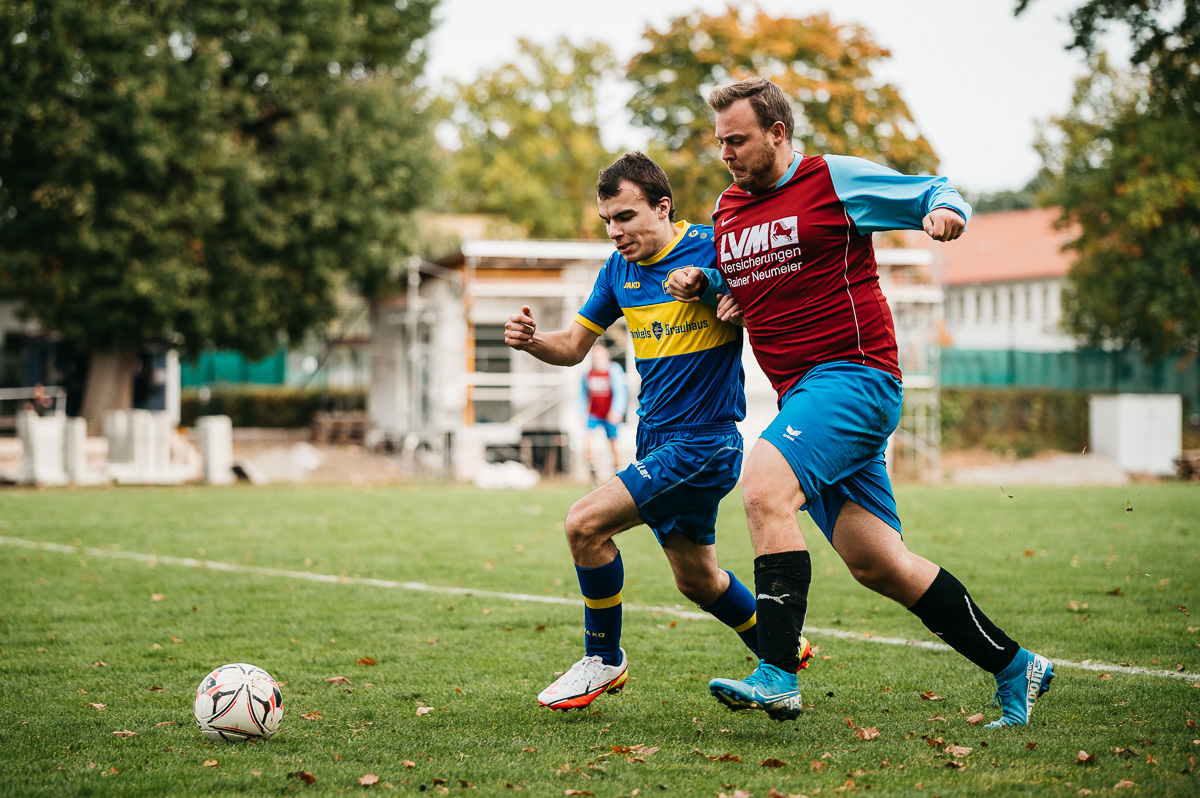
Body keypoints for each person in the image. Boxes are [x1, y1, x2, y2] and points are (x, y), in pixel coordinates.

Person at [668, 77, 1052, 727]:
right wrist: (707, 287)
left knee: (762, 489)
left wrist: (945, 213)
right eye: (719, 143)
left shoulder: (831, 181)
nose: (725, 153)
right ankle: (1018, 668)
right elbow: (744, 284)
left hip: (855, 378)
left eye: (737, 140)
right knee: (880, 564)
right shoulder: (729, 209)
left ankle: (777, 674)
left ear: (778, 133)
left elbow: (930, 189)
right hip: (805, 399)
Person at [506, 152, 803, 711]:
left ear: (662, 207)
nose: (615, 232)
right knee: (698, 579)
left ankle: (604, 659)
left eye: (625, 217)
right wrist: (530, 340)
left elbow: (777, 292)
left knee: (583, 525)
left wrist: (733, 297)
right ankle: (780, 646)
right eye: (608, 222)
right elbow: (572, 347)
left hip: (703, 442)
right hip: (655, 439)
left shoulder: (717, 245)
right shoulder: (617, 271)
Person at [581, 343, 627, 482]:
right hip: (594, 414)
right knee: (588, 440)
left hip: (609, 414)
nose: (597, 359)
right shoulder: (588, 374)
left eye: (599, 356)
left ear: (605, 355)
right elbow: (583, 395)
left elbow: (620, 392)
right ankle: (592, 470)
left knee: (613, 443)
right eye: (594, 356)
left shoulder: (613, 370)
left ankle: (617, 470)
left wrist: (617, 411)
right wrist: (582, 412)